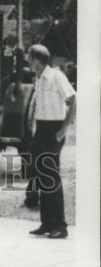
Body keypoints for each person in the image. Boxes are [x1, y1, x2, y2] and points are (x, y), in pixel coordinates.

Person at [26, 43, 76, 239]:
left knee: (51, 176)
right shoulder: (38, 78)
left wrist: (64, 129)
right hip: (41, 128)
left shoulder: (56, 76)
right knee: (41, 175)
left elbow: (73, 100)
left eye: (30, 58)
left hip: (53, 129)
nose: (28, 62)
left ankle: (60, 226)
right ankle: (47, 222)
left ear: (37, 60)